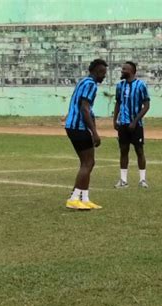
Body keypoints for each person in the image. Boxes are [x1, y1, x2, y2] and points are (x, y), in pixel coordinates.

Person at [64, 59, 107, 209]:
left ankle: (84, 198)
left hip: (73, 125)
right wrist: (94, 132)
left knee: (88, 162)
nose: (104, 76)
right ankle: (74, 198)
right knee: (87, 162)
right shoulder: (90, 84)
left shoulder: (83, 82)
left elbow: (88, 109)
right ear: (95, 71)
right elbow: (85, 108)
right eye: (102, 73)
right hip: (78, 127)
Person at [112, 61, 151, 188]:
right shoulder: (120, 86)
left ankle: (142, 180)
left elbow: (146, 105)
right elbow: (118, 103)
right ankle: (123, 181)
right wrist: (115, 120)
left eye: (125, 69)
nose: (122, 71)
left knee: (139, 150)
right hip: (123, 123)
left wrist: (135, 121)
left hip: (136, 124)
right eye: (122, 69)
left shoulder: (141, 85)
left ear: (132, 71)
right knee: (124, 150)